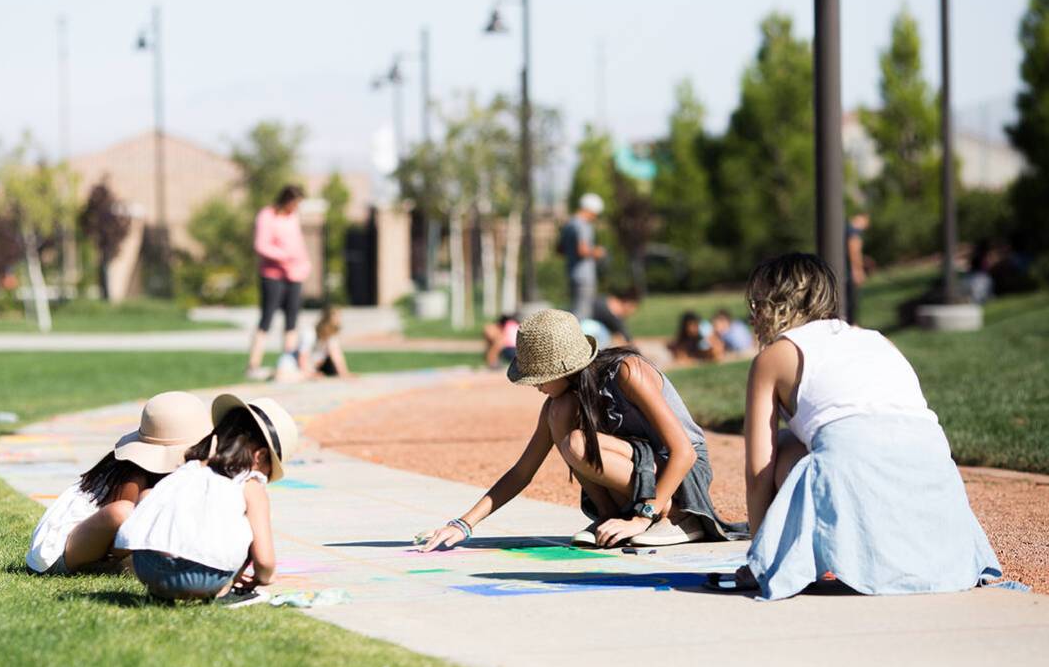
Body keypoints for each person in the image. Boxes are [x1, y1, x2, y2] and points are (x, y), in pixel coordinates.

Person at [712, 253, 1000, 599]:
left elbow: (758, 469)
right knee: (823, 447)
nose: (752, 314)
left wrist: (759, 560)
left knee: (788, 449)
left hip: (857, 474)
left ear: (776, 304)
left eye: (756, 303)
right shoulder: (879, 340)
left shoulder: (775, 357)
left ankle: (830, 553)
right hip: (936, 486)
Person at [418, 309, 745, 552]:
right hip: (643, 472)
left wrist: (645, 516)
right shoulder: (563, 402)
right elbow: (522, 471)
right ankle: (608, 517)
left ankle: (678, 519)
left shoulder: (628, 372)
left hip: (682, 477)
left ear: (566, 369)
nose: (536, 387)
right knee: (561, 420)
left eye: (539, 378)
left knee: (577, 442)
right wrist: (465, 523)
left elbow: (684, 452)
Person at [115, 395, 298, 605]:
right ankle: (223, 593)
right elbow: (265, 562)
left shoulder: (188, 470)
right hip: (200, 578)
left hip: (147, 568)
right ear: (260, 456)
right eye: (269, 470)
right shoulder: (250, 484)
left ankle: (160, 593)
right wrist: (264, 577)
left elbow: (147, 497)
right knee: (248, 522)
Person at [25, 391, 212, 576]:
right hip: (58, 553)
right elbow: (129, 530)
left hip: (98, 545)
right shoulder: (133, 474)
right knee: (123, 513)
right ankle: (110, 566)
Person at [247, 185, 310, 381]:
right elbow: (261, 245)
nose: (296, 207)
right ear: (286, 200)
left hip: (294, 275)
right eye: (295, 203)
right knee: (267, 318)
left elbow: (298, 244)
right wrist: (284, 258)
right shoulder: (267, 215)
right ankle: (253, 364)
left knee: (292, 320)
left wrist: (304, 263)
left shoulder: (293, 218)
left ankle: (287, 362)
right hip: (273, 275)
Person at [559, 193, 606, 319]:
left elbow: (560, 249)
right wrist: (597, 252)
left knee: (575, 308)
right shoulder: (583, 225)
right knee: (582, 314)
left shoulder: (569, 224)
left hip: (572, 273)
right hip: (584, 275)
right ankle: (578, 339)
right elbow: (583, 250)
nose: (595, 217)